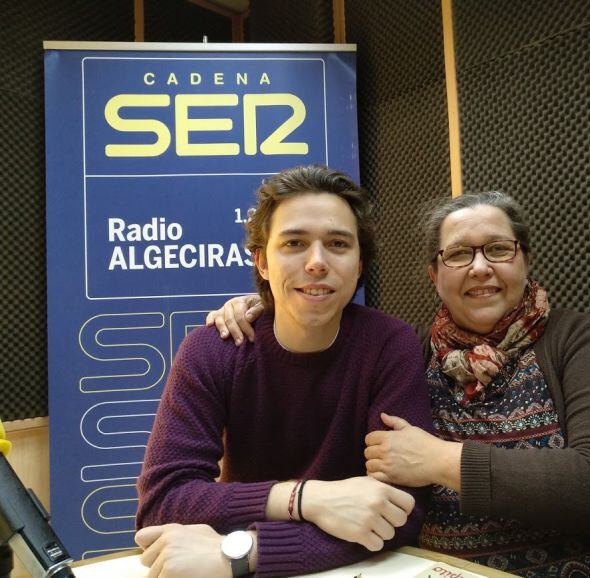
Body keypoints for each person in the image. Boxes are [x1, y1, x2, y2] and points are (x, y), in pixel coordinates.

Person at [209, 191, 590, 577]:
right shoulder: (408, 355)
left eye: (498, 248)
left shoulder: (582, 342)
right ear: (434, 274)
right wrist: (275, 309)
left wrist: (442, 461)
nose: (479, 268)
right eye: (457, 255)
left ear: (525, 260)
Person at [135, 165, 432, 578]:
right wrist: (304, 499)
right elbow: (162, 503)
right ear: (262, 261)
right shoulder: (213, 349)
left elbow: (401, 509)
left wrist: (246, 552)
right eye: (294, 243)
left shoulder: (390, 345)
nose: (316, 262)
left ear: (360, 264)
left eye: (338, 244)